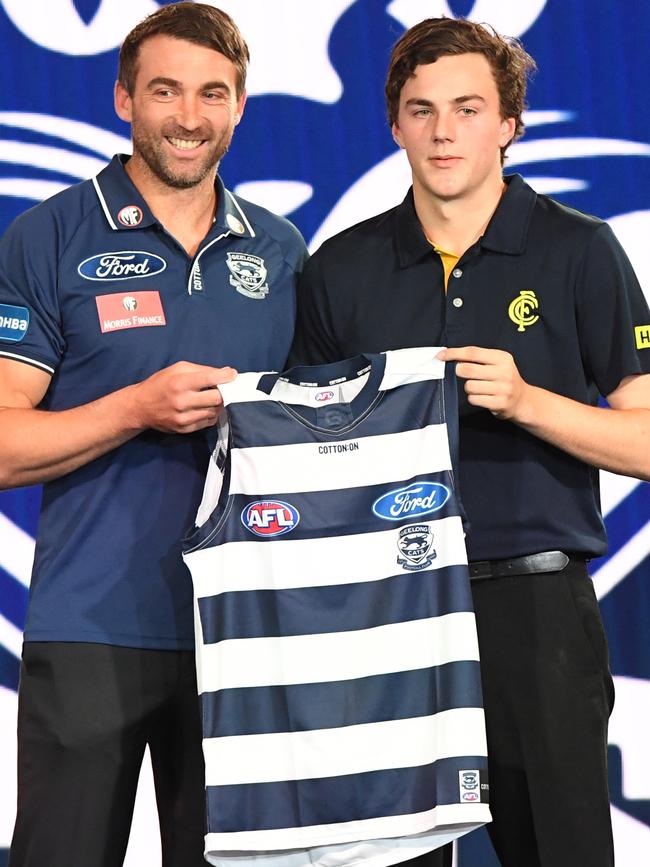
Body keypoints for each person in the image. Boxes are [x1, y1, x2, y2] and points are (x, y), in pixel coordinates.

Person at [289, 16, 650, 867]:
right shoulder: (340, 268)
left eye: (467, 108)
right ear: (394, 124)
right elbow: (303, 457)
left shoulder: (579, 250)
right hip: (386, 614)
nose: (443, 131)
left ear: (509, 125)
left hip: (535, 609)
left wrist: (530, 403)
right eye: (421, 110)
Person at [0, 4, 307, 866]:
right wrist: (133, 409)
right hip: (90, 622)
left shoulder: (281, 252)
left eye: (214, 93)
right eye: (165, 90)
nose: (189, 116)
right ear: (123, 100)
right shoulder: (49, 235)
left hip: (245, 633)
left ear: (241, 106)